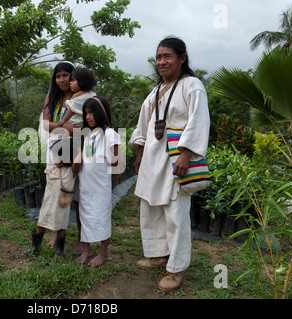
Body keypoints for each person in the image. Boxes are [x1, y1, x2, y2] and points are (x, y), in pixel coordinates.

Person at [129, 36, 210, 292]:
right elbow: (144, 124)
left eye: (167, 56)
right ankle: (159, 255)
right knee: (151, 208)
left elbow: (198, 122)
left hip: (176, 159)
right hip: (153, 158)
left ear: (182, 59)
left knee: (175, 214)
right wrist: (139, 154)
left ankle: (176, 268)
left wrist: (186, 154)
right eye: (159, 57)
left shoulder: (192, 86)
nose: (161, 62)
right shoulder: (154, 91)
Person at [39, 61, 83, 253]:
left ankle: (83, 238)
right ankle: (57, 236)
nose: (62, 79)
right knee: (57, 191)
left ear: (73, 77)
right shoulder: (52, 97)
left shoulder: (80, 96)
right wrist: (64, 126)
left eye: (66, 75)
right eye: (58, 76)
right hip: (56, 149)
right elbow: (46, 124)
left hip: (78, 149)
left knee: (79, 195)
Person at [76, 96, 122, 267]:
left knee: (102, 217)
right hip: (86, 185)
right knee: (85, 216)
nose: (88, 117)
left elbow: (116, 160)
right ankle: (86, 251)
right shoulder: (89, 135)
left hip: (101, 186)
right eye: (86, 113)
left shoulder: (110, 134)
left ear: (101, 113)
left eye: (91, 113)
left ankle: (103, 253)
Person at [24, 136, 79, 259]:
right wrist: (44, 195)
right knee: (41, 223)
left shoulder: (71, 171)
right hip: (48, 201)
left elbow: (77, 159)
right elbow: (49, 184)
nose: (53, 158)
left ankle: (59, 251)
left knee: (61, 227)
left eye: (55, 155)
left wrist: (77, 147)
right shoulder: (52, 168)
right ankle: (35, 247)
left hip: (61, 204)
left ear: (65, 157)